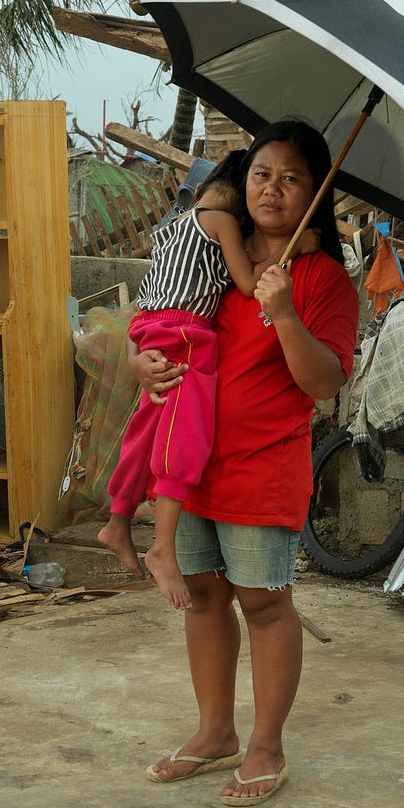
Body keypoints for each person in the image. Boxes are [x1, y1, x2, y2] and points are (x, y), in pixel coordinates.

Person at [134, 122, 359, 807]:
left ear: (315, 194)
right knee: (204, 597)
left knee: (264, 604)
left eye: (292, 179)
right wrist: (141, 364)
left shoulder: (322, 279)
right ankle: (214, 733)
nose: (272, 189)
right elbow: (161, 318)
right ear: (244, 178)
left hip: (264, 467)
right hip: (190, 465)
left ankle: (266, 745)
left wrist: (285, 314)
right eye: (263, 173)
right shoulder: (210, 253)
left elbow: (324, 383)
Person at [96, 165, 263, 609]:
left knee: (147, 430)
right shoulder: (222, 221)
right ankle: (162, 548)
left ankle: (117, 522)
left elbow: (145, 301)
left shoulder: (171, 230)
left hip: (150, 329)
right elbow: (247, 284)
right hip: (186, 333)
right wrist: (285, 258)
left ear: (202, 188)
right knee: (186, 439)